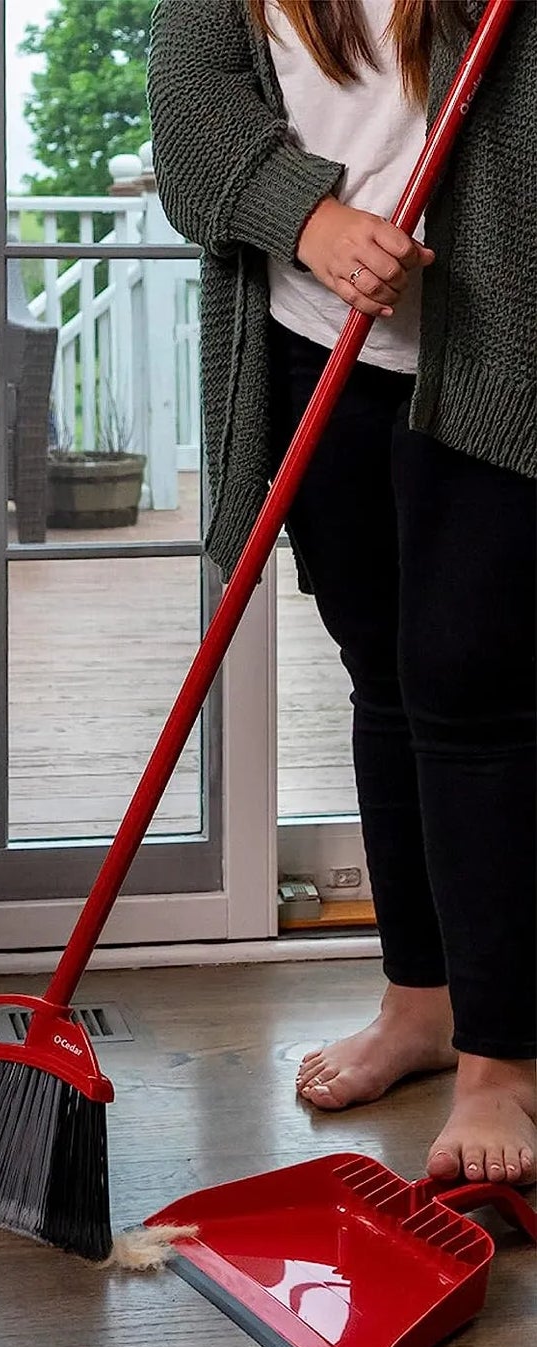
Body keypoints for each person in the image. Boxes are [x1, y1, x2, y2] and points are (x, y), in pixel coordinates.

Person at [146, 0, 536, 1185]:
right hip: (316, 343)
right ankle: (416, 1000)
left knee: (473, 690)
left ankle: (502, 1064)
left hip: (488, 359)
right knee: (382, 678)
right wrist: (309, 222)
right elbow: (191, 120)